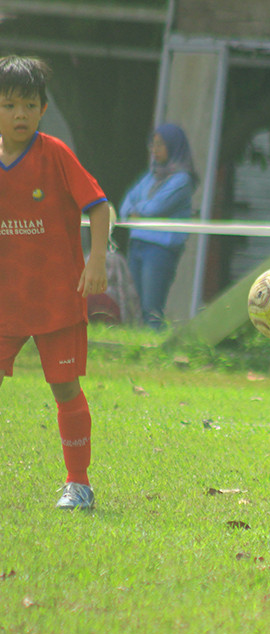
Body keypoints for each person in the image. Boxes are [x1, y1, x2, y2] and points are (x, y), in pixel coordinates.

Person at [0, 55, 111, 509]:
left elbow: (99, 206)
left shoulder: (56, 154)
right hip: (5, 300)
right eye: (9, 105)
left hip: (55, 298)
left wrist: (97, 260)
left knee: (64, 388)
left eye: (29, 104)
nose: (19, 114)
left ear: (43, 109)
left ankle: (78, 483)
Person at [120, 123, 198, 329]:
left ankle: (154, 350)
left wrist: (137, 211)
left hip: (159, 249)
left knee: (151, 308)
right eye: (152, 145)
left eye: (160, 145)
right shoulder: (151, 175)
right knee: (134, 305)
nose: (154, 150)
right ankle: (137, 347)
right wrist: (132, 211)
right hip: (138, 244)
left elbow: (156, 207)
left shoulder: (182, 180)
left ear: (174, 146)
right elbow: (127, 202)